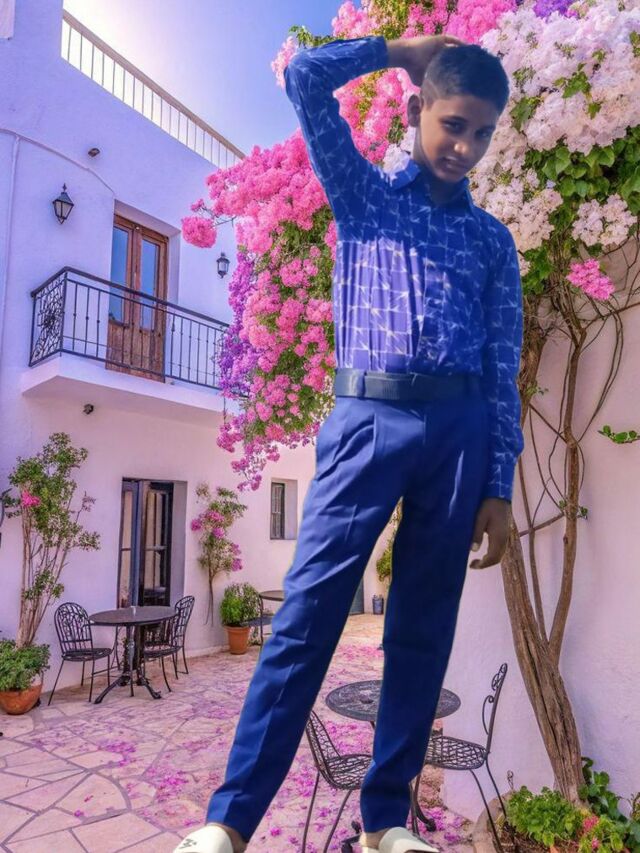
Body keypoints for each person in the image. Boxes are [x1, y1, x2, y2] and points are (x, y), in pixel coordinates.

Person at [176, 30, 524, 853]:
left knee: (423, 626)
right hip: (368, 419)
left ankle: (386, 820)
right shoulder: (363, 196)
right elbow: (304, 76)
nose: (465, 146)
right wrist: (398, 50)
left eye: (481, 132)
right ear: (417, 110)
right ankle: (229, 819)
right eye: (453, 124)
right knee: (306, 616)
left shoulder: (492, 242)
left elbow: (501, 365)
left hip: (460, 431)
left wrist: (498, 484)